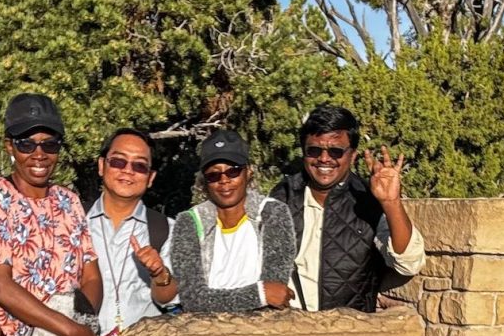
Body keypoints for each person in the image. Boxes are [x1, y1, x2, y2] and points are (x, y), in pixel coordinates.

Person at [0, 94, 102, 336]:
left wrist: (82, 324)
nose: (39, 154)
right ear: (9, 146)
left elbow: (90, 275)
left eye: (50, 144)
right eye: (26, 144)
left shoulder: (69, 201)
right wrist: (68, 329)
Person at [269, 105, 425, 311]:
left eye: (335, 151)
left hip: (349, 333)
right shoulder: (282, 197)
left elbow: (409, 263)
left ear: (352, 156)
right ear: (304, 152)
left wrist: (390, 203)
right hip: (288, 332)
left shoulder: (367, 202)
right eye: (314, 150)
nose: (324, 159)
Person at [164, 129, 295, 313]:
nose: (224, 180)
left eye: (233, 171)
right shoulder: (189, 222)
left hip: (261, 330)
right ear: (204, 181)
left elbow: (277, 292)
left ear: (248, 172)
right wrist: (259, 294)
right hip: (205, 332)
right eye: (214, 175)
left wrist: (265, 294)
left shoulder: (273, 214)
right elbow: (192, 299)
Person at [85, 127, 177, 336]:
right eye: (118, 161)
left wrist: (159, 274)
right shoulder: (73, 222)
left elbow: (169, 300)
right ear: (101, 166)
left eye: (139, 165)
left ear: (150, 177)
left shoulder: (165, 229)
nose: (128, 170)